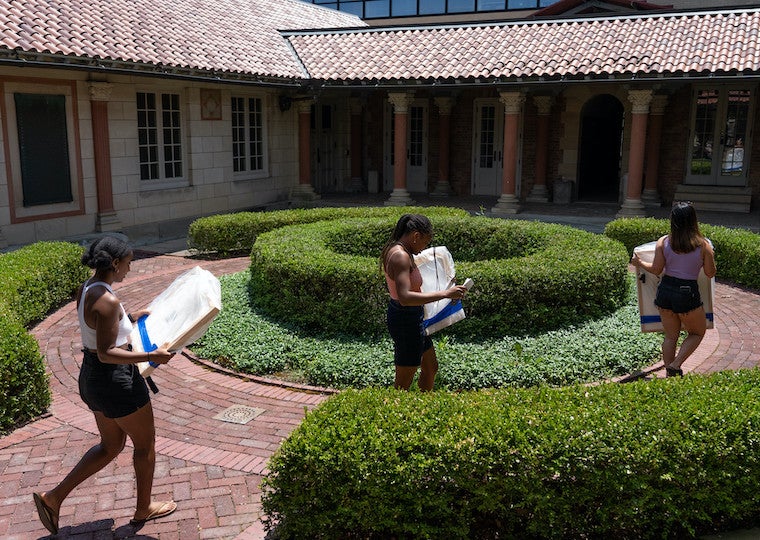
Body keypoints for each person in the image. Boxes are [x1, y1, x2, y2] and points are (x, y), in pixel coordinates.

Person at [33, 236, 177, 535]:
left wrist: (131, 317)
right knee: (145, 445)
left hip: (92, 379)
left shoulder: (88, 288)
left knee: (110, 446)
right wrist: (152, 356)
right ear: (114, 263)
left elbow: (96, 328)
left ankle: (53, 497)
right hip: (116, 381)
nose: (129, 269)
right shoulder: (108, 301)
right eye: (128, 263)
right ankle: (143, 508)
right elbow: (107, 352)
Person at [381, 214, 468, 391]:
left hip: (413, 316)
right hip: (406, 319)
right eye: (425, 242)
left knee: (430, 367)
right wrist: (445, 294)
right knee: (403, 384)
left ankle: (425, 404)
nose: (424, 249)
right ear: (416, 236)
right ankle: (396, 408)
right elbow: (405, 297)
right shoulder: (401, 256)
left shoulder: (399, 249)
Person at [630, 202, 717, 377]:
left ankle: (671, 376)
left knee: (670, 337)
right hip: (687, 293)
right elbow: (710, 273)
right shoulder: (703, 246)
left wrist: (639, 263)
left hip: (665, 291)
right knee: (697, 333)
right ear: (693, 221)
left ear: (673, 220)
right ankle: (675, 365)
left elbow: (656, 269)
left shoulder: (663, 242)